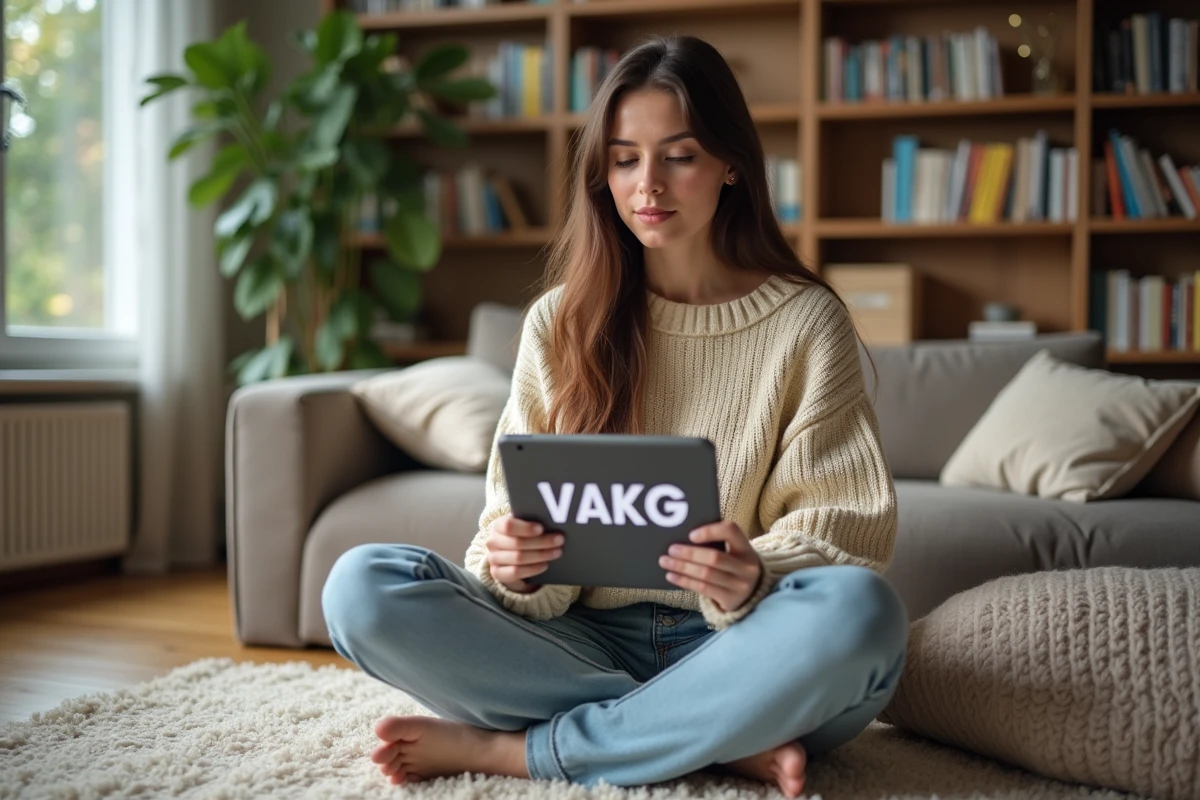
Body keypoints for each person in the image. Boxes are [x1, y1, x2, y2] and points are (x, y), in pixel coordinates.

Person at [321, 34, 907, 800]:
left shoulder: (806, 323)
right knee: (360, 589)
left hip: (745, 644)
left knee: (863, 615)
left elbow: (845, 530)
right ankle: (714, 739)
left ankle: (521, 752)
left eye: (680, 155)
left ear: (731, 163)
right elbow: (503, 524)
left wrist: (752, 578)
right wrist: (516, 564)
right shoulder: (558, 322)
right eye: (625, 158)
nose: (648, 185)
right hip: (577, 640)